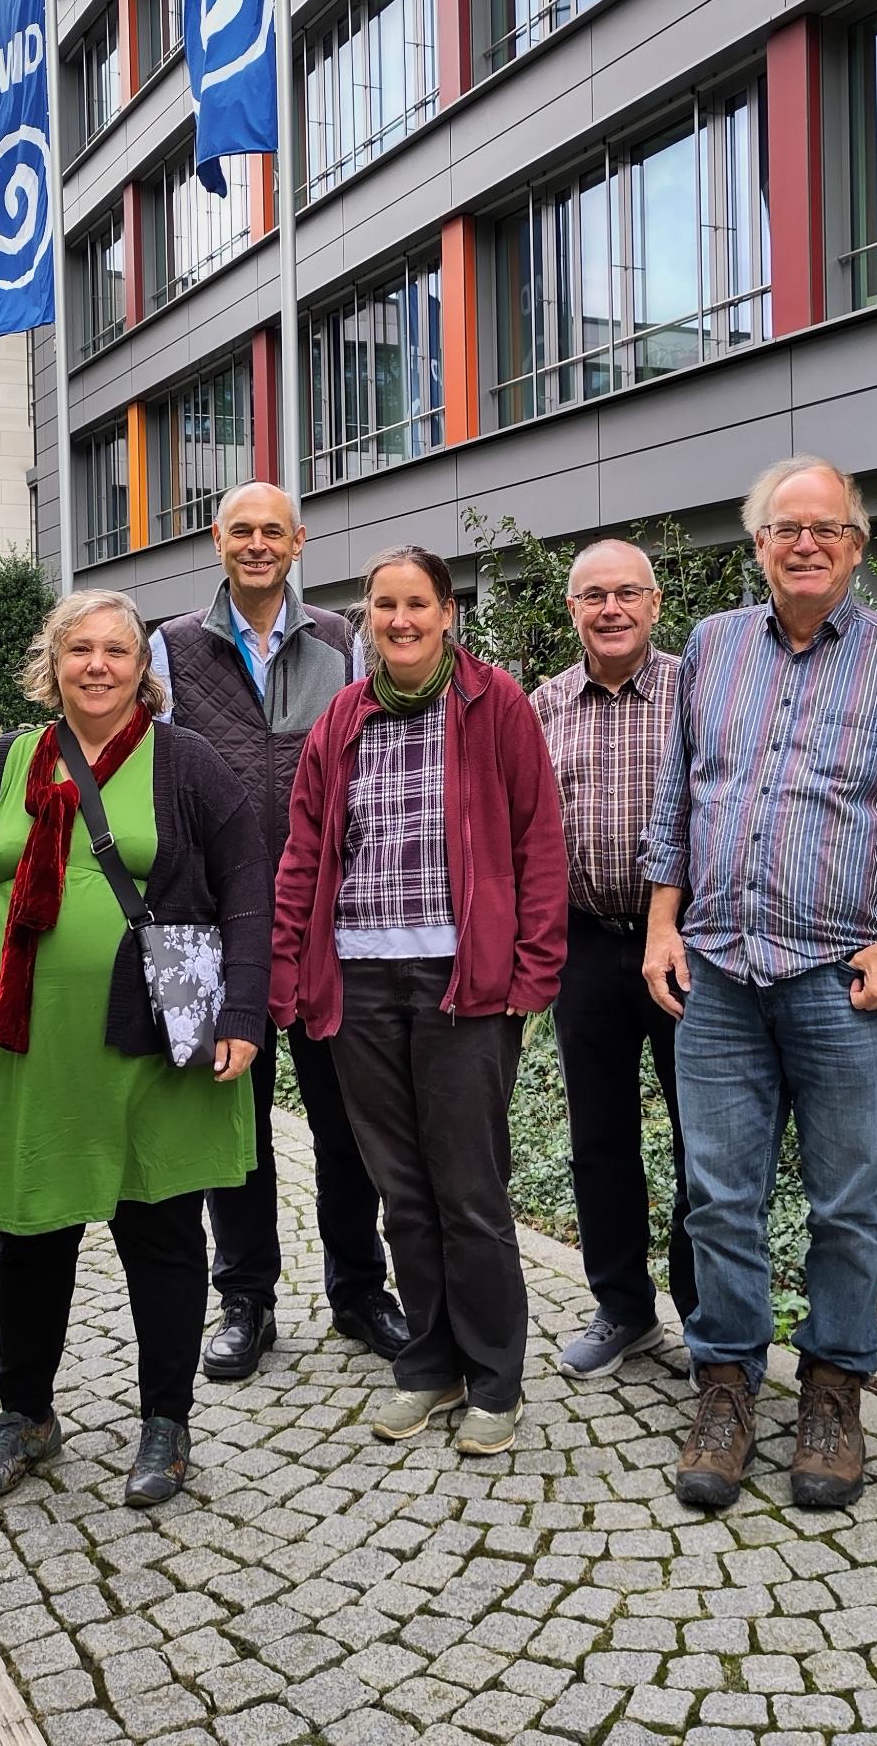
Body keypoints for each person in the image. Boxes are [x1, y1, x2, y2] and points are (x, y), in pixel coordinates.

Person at [641, 457, 877, 1511]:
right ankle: (725, 1382)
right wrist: (659, 923)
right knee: (719, 1198)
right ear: (759, 545)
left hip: (845, 972)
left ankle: (831, 1390)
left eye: (828, 527)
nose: (806, 542)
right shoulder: (714, 648)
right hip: (719, 964)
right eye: (785, 527)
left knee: (849, 1204)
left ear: (858, 546)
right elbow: (680, 794)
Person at [0, 589, 270, 1508]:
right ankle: (26, 1414)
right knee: (31, 1233)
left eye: (115, 650)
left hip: (150, 1043)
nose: (97, 666)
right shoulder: (8, 764)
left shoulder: (187, 763)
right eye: (79, 649)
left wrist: (244, 1011)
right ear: (54, 662)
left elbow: (247, 884)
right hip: (29, 1048)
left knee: (159, 1232)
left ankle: (166, 1422)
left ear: (141, 668)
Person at [271, 546, 568, 1457]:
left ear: (447, 613)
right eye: (383, 605)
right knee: (402, 1190)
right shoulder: (343, 718)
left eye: (417, 604)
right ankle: (430, 1364)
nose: (399, 620)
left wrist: (531, 971)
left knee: (468, 1189)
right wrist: (287, 971)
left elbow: (538, 839)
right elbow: (304, 851)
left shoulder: (494, 704)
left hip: (461, 980)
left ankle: (496, 1376)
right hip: (359, 979)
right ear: (364, 616)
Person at [150, 481, 405, 1381]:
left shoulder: (343, 640)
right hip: (219, 932)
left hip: (328, 925)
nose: (257, 545)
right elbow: (153, 781)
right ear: (216, 540)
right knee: (235, 1123)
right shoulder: (171, 647)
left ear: (299, 542)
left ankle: (360, 1289)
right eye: (241, 531)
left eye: (273, 532)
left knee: (347, 1125)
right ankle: (246, 1298)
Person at [530, 540, 696, 1378]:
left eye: (627, 593)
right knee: (600, 1138)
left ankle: (706, 1317)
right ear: (573, 610)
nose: (611, 609)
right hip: (586, 946)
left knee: (705, 1138)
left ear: (655, 603)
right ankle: (623, 1308)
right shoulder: (543, 706)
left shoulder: (698, 690)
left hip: (689, 946)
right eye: (593, 595)